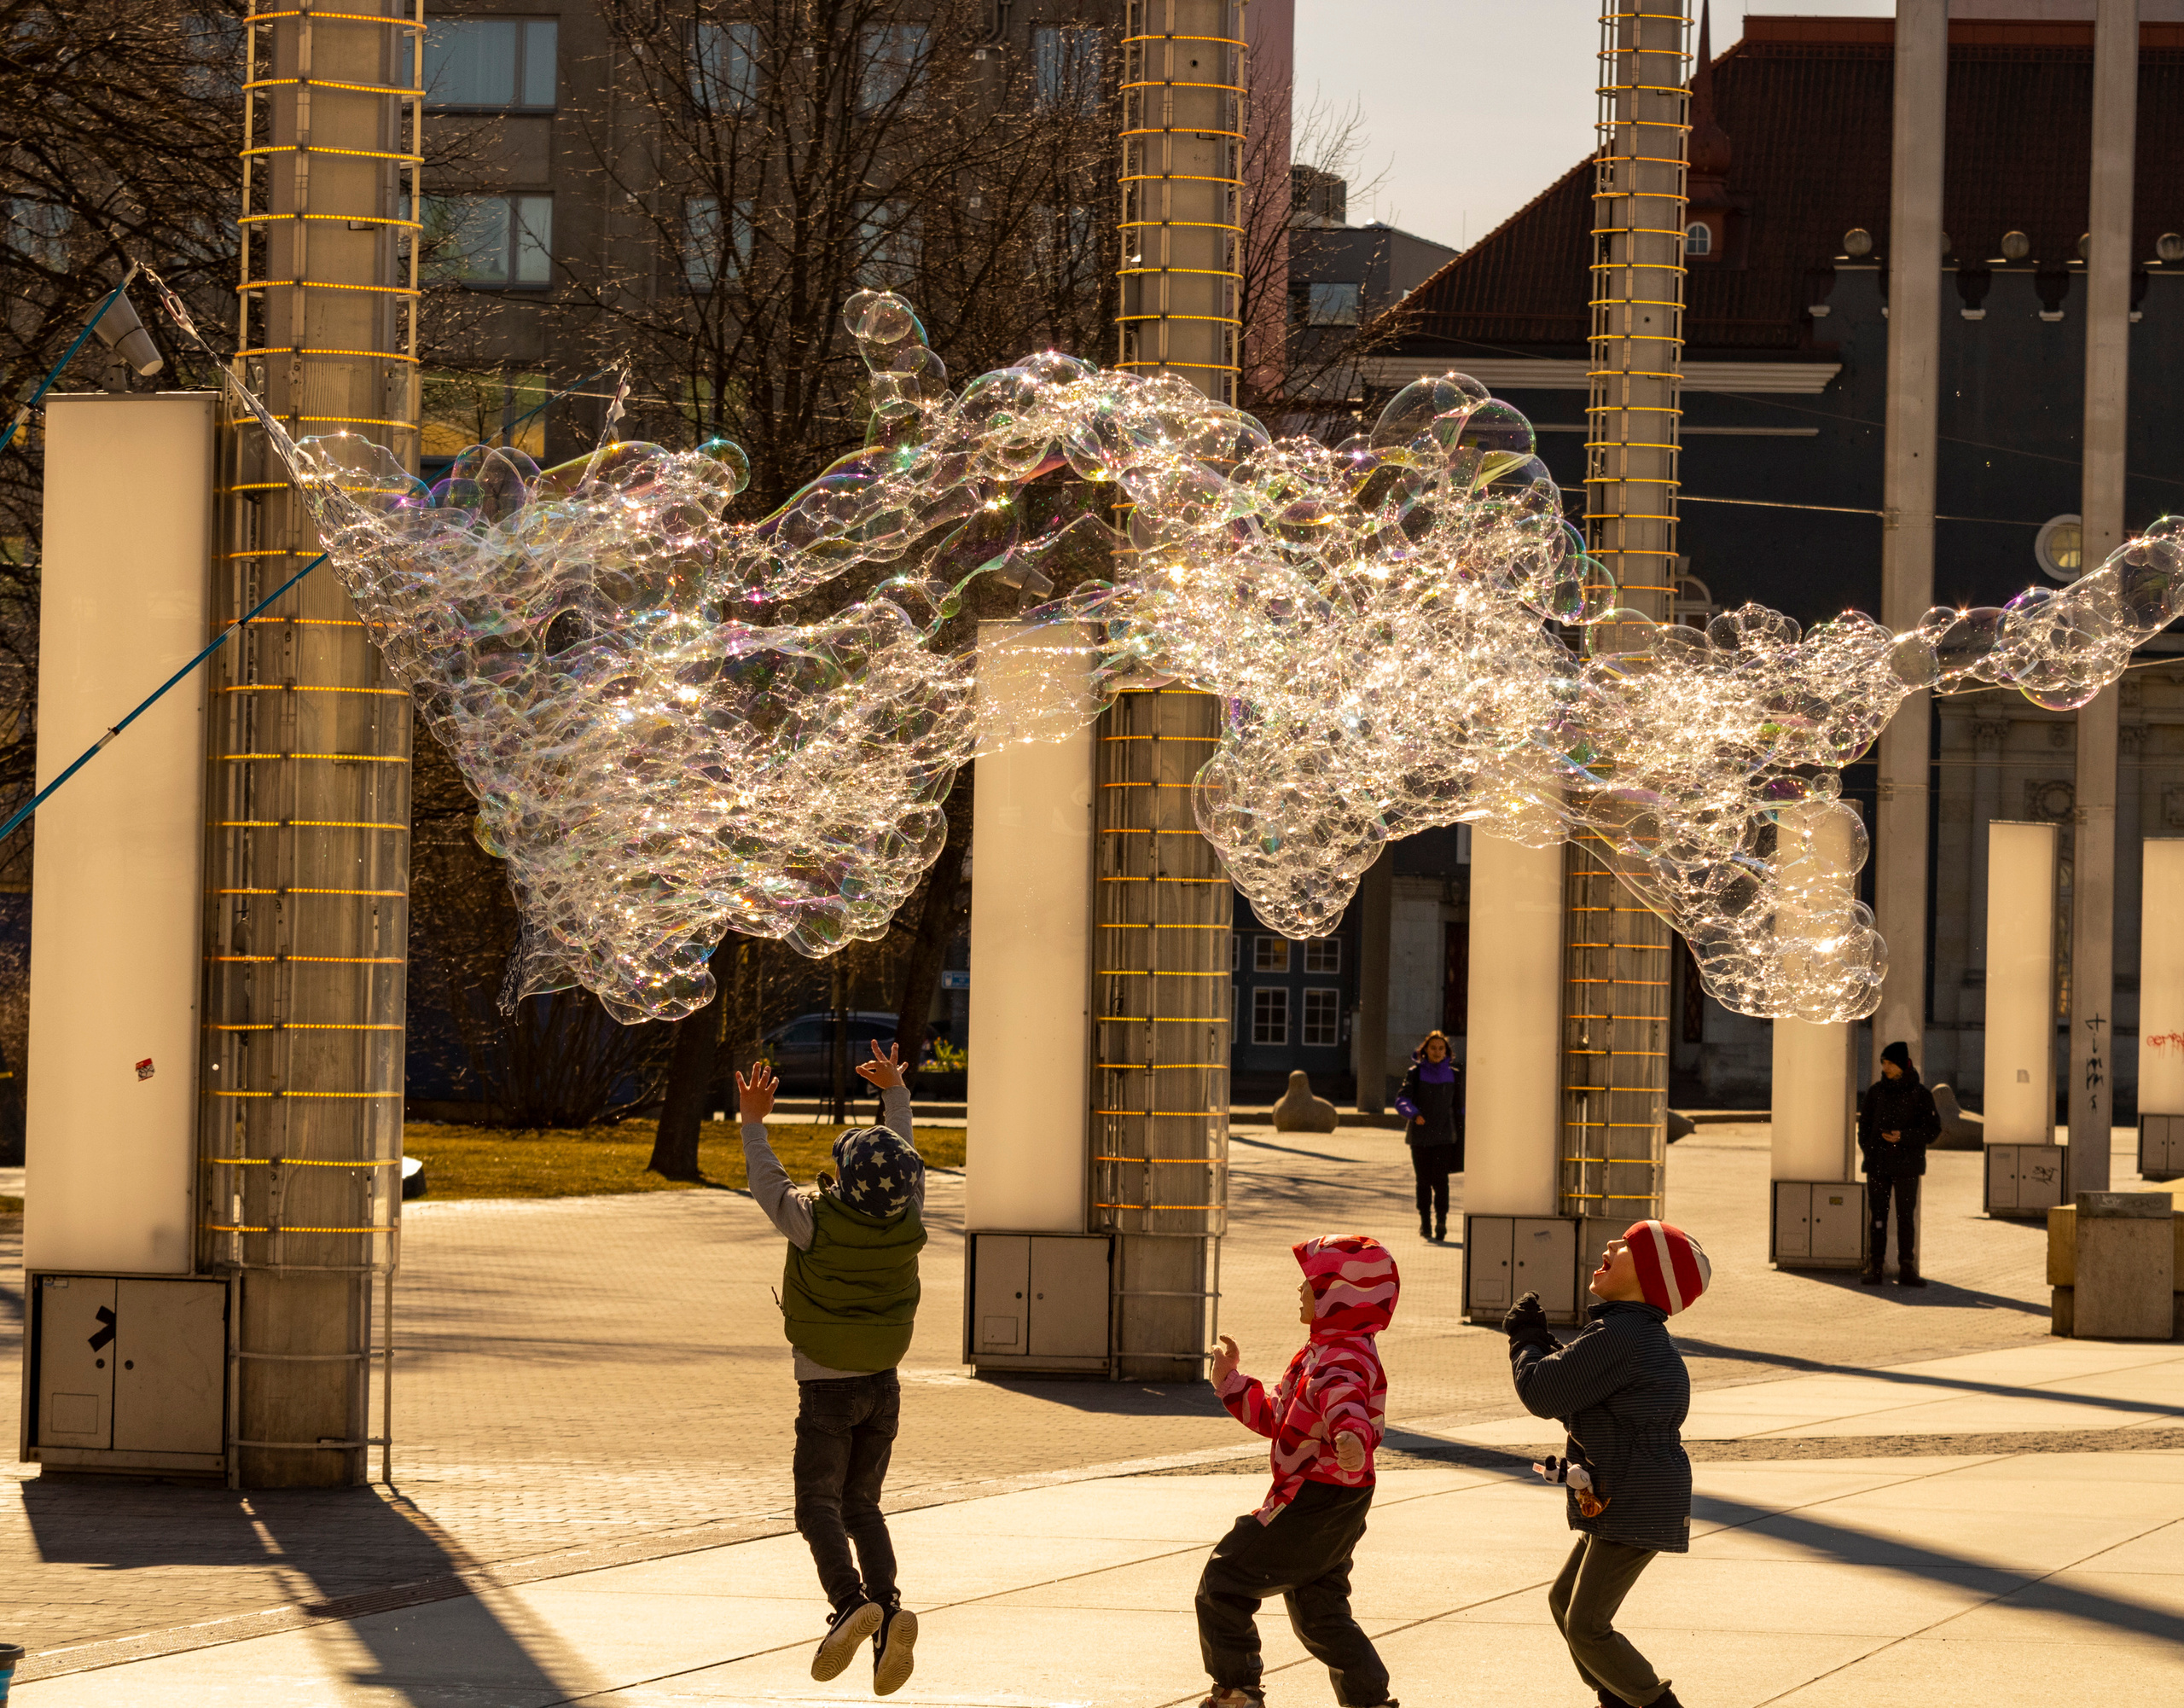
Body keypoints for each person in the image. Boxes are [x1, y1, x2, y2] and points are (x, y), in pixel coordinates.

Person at [739, 1041, 926, 1695]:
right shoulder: (908, 1218)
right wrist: (896, 1095)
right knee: (862, 1505)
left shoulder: (814, 1223)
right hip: (884, 1384)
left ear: (843, 1179)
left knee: (817, 1504)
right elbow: (904, 1158)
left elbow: (766, 1181)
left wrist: (754, 1120)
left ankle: (850, 1603)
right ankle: (888, 1610)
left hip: (825, 1386)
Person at [1502, 1221, 1711, 1708]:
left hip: (1638, 1494)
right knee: (1565, 1603)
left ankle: (1653, 1706)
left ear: (1649, 1278)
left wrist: (1526, 1340)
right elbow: (1574, 1384)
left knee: (1586, 1624)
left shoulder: (1623, 1333)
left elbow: (1542, 1391)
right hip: (1635, 1488)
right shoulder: (1626, 1332)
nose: (1609, 1245)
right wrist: (1542, 1345)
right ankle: (1618, 1699)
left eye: (1626, 1245)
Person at [1196, 1235, 1403, 1708]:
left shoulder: (1340, 1356)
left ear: (1340, 1294)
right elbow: (1279, 1419)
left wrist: (1351, 1436)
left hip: (1314, 1496)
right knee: (1320, 1610)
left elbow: (1344, 1401)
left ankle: (1237, 1692)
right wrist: (1231, 1384)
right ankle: (1368, 1700)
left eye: (1311, 1282)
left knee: (1224, 1582)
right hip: (1340, 1495)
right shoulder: (1324, 1350)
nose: (1300, 1290)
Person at [1858, 1039, 1939, 1287]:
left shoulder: (1921, 1095)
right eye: (1883, 1063)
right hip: (1878, 1165)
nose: (1885, 1068)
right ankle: (1876, 1267)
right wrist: (1871, 1149)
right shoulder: (1876, 1092)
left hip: (1907, 1166)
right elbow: (1864, 1128)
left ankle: (1907, 1268)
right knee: (1878, 1218)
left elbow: (1933, 1130)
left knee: (1906, 1218)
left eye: (1890, 1063)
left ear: (1903, 1065)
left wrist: (1903, 1137)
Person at [1393, 1031, 1462, 1242]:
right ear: (1425, 1050)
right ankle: (1425, 1223)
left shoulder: (1455, 1074)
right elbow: (1402, 1099)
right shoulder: (1415, 1073)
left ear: (1447, 1052)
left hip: (1444, 1136)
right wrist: (1413, 1113)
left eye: (1441, 1048)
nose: (1437, 1052)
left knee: (1441, 1181)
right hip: (1420, 1135)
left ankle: (1441, 1222)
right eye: (1433, 1048)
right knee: (1423, 1181)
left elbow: (1460, 1107)